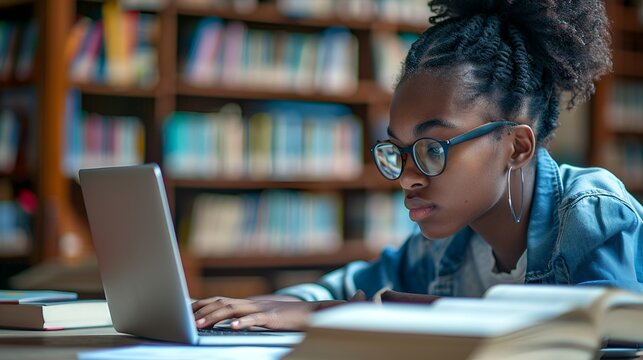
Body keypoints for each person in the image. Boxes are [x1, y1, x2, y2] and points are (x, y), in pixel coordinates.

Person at [192, 0, 643, 331]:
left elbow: (604, 335)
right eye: (398, 151)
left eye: (433, 148)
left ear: (517, 147)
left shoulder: (591, 210)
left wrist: (354, 314)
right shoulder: (443, 245)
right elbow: (340, 288)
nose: (407, 176)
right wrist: (258, 309)